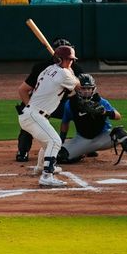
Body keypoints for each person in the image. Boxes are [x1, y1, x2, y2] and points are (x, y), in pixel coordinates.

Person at [17, 43, 81, 187]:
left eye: (72, 60)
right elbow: (78, 85)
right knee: (55, 141)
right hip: (34, 115)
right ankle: (47, 175)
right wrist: (70, 71)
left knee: (48, 143)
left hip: (31, 114)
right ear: (59, 59)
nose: (71, 62)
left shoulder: (48, 69)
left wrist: (68, 68)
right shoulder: (63, 73)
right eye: (68, 59)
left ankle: (40, 167)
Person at [58, 74, 127, 167]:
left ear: (93, 89)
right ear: (77, 89)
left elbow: (118, 116)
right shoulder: (70, 105)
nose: (86, 91)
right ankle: (83, 153)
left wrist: (105, 112)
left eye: (89, 88)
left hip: (104, 138)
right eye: (83, 88)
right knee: (60, 157)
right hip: (82, 140)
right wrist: (60, 142)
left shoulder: (101, 102)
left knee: (120, 132)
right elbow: (65, 123)